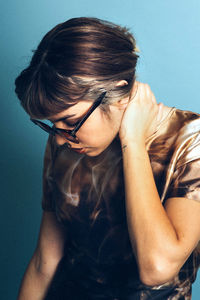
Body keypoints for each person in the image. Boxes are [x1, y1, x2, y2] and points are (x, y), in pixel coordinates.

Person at [15, 17, 200, 300]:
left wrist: (133, 143)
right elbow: (44, 262)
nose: (60, 139)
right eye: (53, 126)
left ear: (119, 95)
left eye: (70, 122)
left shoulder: (190, 140)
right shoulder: (64, 142)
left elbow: (157, 269)